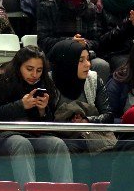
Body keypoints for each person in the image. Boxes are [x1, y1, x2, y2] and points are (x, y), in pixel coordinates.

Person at [0, 46, 73, 185]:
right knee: (20, 143)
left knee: (57, 143)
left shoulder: (45, 83)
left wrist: (43, 111)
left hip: (33, 135)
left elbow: (50, 124)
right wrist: (20, 105)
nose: (34, 74)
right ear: (18, 66)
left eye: (39, 70)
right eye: (29, 69)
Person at [49, 40, 114, 182]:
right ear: (67, 62)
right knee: (74, 151)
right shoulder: (49, 82)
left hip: (90, 134)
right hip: (61, 137)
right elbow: (44, 120)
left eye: (88, 59)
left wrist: (87, 120)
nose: (88, 64)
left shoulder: (94, 80)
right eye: (81, 60)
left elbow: (108, 115)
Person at [36, 0, 102, 57]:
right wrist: (70, 42)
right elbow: (43, 41)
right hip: (56, 55)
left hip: (83, 56)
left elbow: (96, 41)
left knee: (101, 65)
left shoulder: (90, 7)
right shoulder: (47, 5)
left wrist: (85, 43)